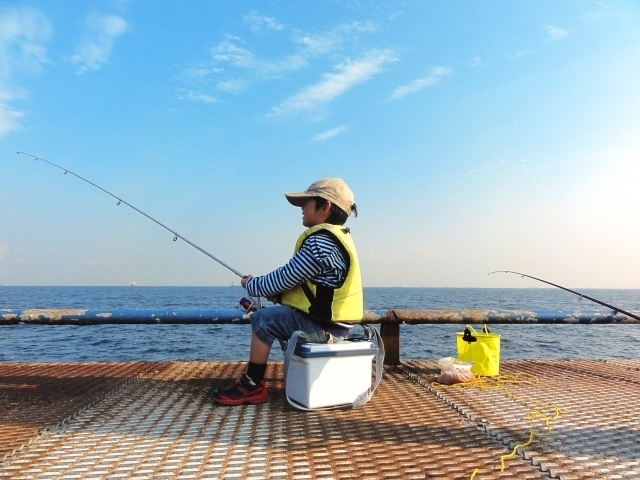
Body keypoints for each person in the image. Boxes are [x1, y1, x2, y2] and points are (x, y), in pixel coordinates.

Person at [210, 178, 363, 406]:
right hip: (335, 328)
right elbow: (311, 288)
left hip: (320, 330)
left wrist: (251, 284)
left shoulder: (320, 243)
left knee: (262, 319)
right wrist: (281, 296)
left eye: (306, 202)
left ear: (325, 207)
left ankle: (252, 384)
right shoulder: (338, 238)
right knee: (283, 317)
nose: (301, 208)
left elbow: (282, 278)